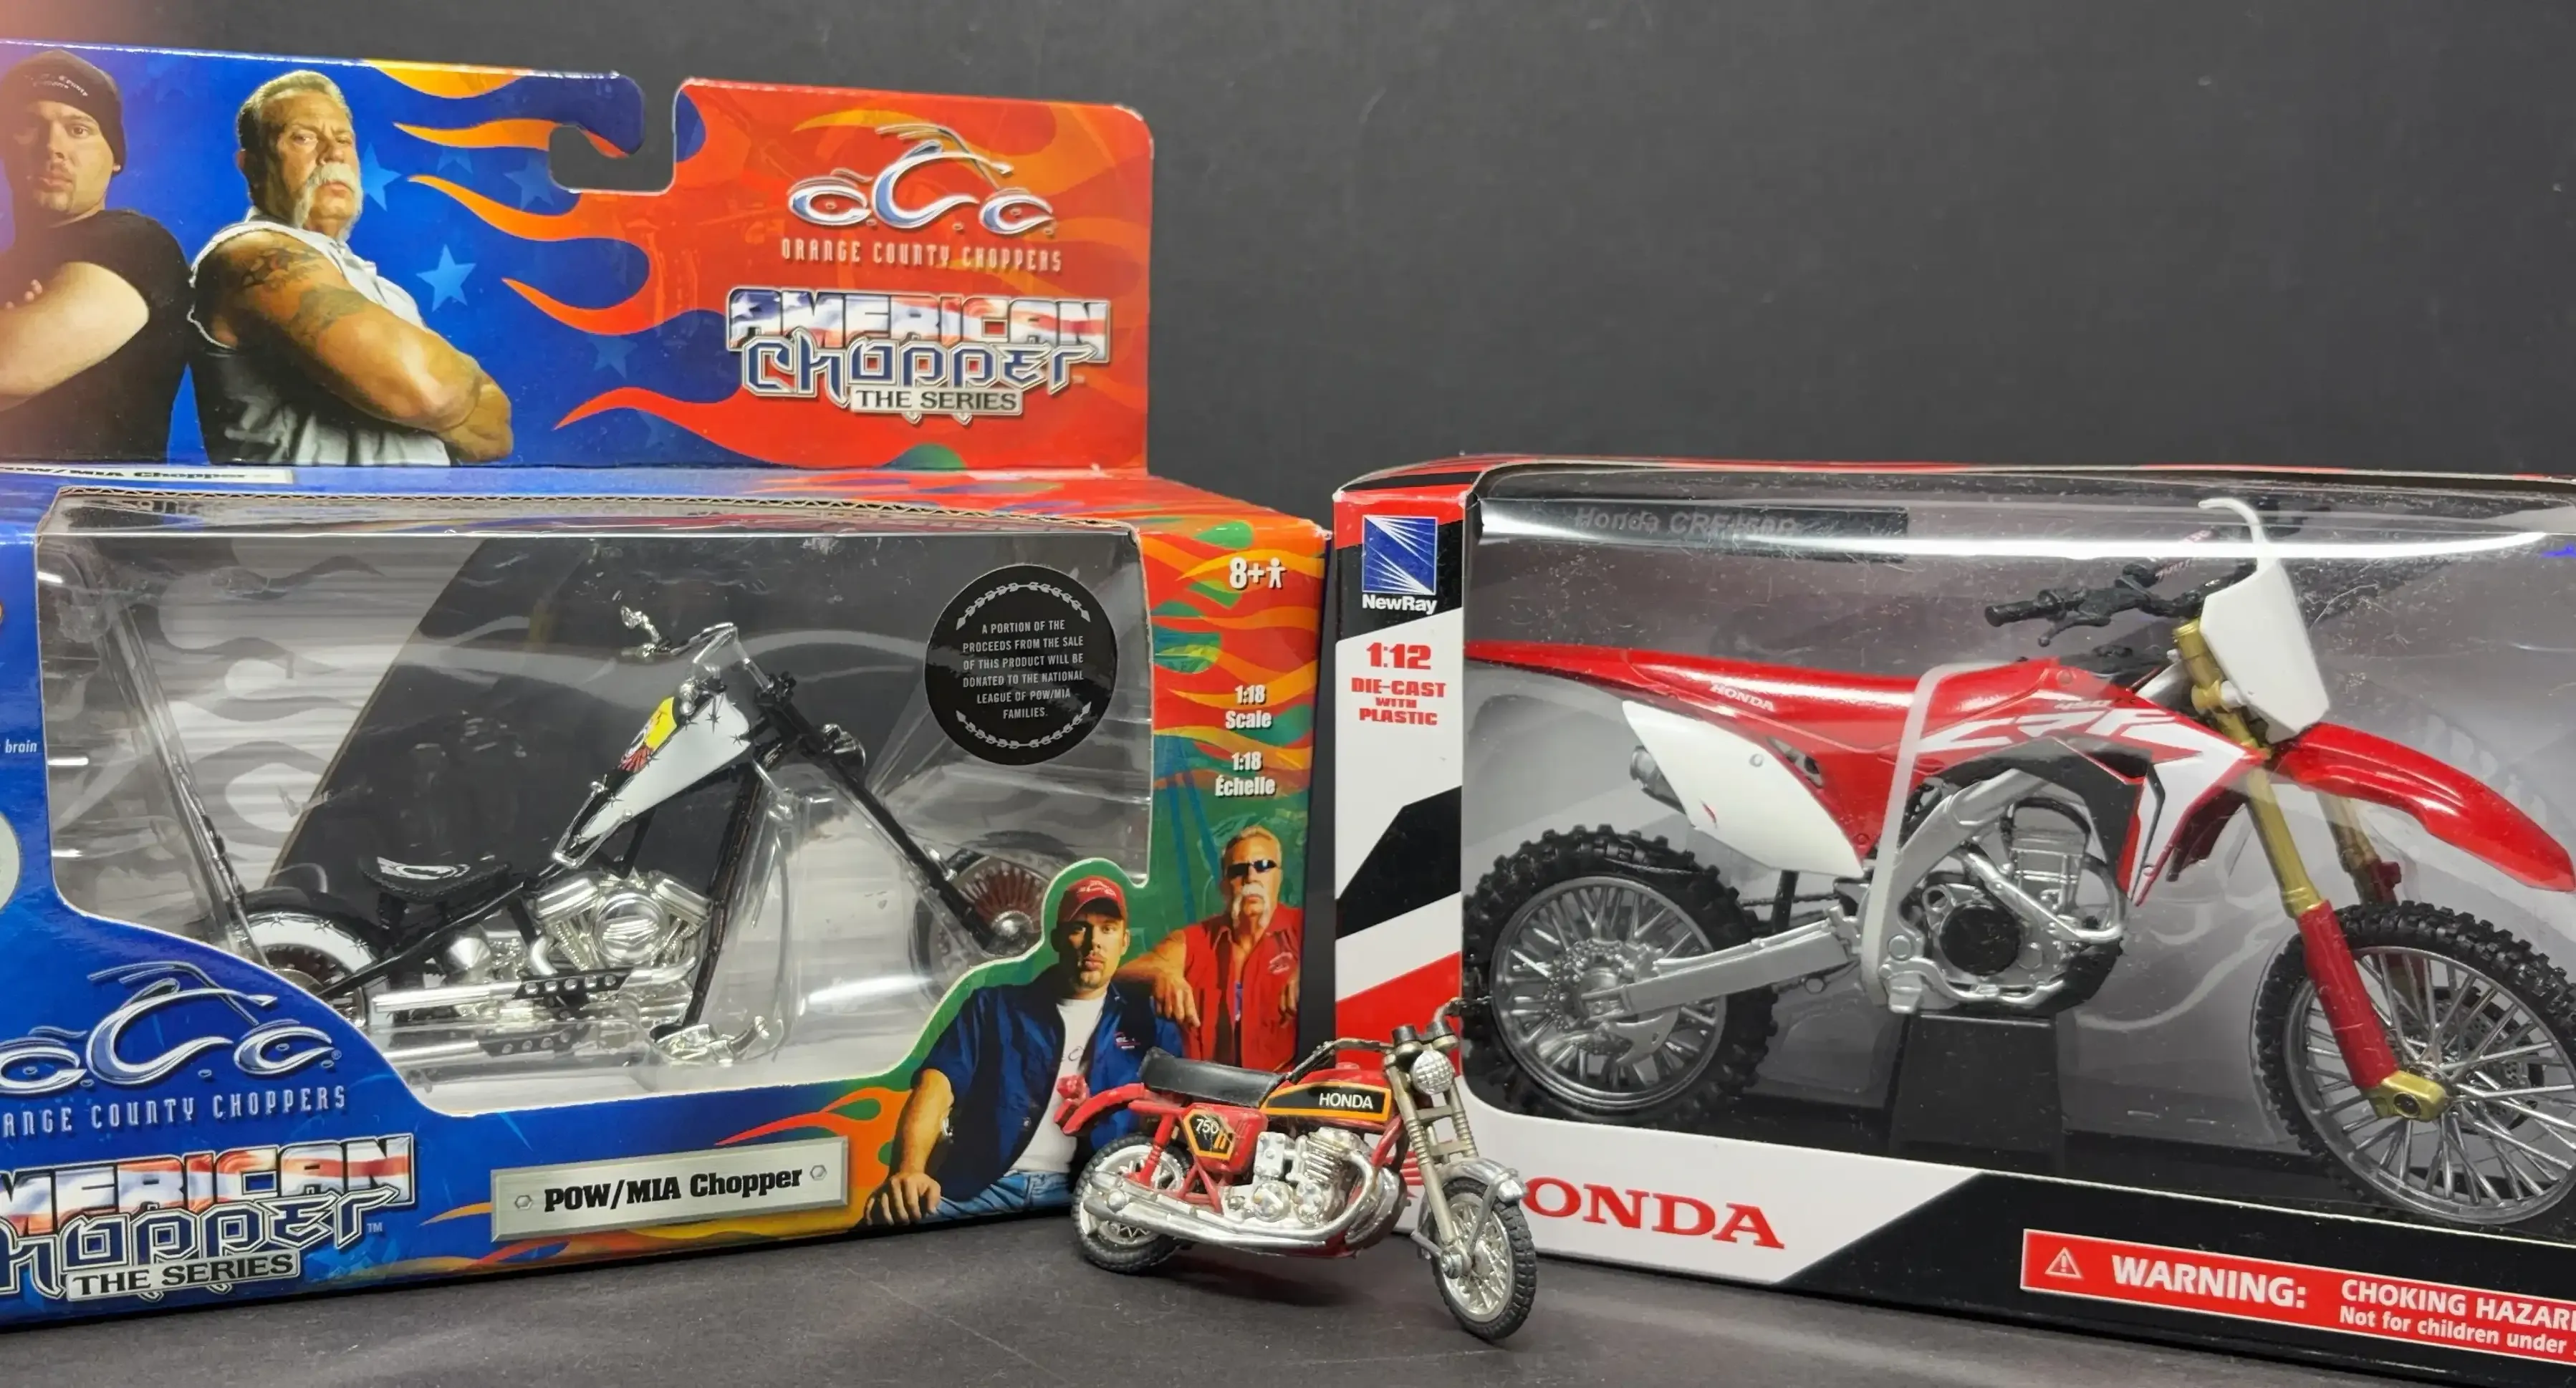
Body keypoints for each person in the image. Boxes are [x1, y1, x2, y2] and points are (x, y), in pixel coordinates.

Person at [189, 69, 510, 464]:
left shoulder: (386, 290)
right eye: (304, 137)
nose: (334, 154)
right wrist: (461, 386)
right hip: (313, 507)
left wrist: (432, 389)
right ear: (251, 165)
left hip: (420, 506)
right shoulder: (250, 254)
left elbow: (496, 436)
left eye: (344, 140)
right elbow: (426, 392)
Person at [865, 874, 1179, 1223]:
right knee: (886, 1215)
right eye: (1080, 928)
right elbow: (936, 1086)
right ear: (1058, 939)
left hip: (1094, 1192)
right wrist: (909, 1170)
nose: (1094, 943)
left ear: (1124, 941)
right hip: (984, 1187)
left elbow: (1176, 1108)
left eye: (1108, 929)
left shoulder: (1149, 1021)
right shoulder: (993, 1007)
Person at [0, 50, 191, 460]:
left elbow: (8, 368)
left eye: (78, 129)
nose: (53, 147)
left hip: (91, 502)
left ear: (115, 156)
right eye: (29, 126)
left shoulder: (136, 243)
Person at [1119, 825, 1302, 1071]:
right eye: (1238, 871)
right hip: (1205, 1092)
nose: (1251, 877)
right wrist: (1162, 975)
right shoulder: (1196, 939)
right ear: (1224, 885)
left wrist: (1315, 969)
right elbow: (1125, 973)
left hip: (1289, 1091)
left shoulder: (1306, 929)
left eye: (1263, 866)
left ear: (1279, 876)